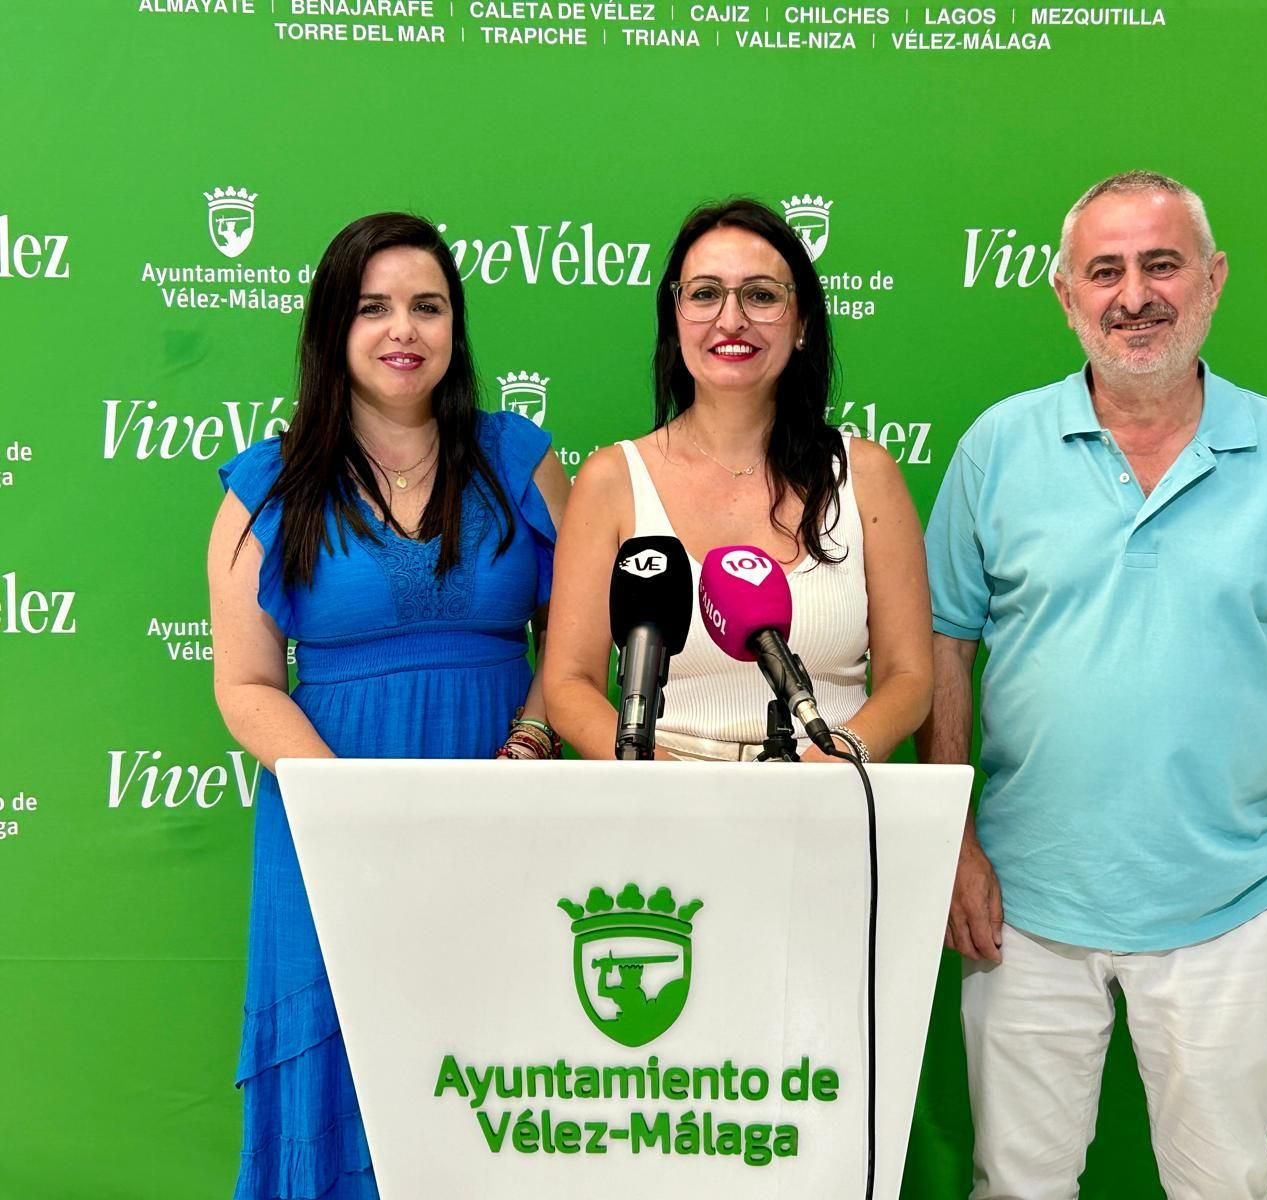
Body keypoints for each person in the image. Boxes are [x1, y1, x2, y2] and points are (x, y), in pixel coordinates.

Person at [918, 171, 1267, 1199]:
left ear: (1213, 280)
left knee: (1222, 1186)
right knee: (1013, 1185)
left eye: (1160, 265)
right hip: (1023, 904)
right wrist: (957, 844)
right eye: (1104, 270)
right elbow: (945, 644)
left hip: (1227, 909)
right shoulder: (996, 448)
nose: (1133, 294)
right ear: (1064, 293)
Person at [207, 212, 569, 1199]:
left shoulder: (520, 457)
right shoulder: (266, 484)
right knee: (345, 1058)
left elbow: (575, 645)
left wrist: (536, 734)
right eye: (372, 308)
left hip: (500, 804)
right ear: (333, 328)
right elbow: (244, 683)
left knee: (491, 1062)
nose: (402, 329)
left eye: (427, 306)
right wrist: (349, 803)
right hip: (328, 822)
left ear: (456, 326)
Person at [542, 198, 930, 763]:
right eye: (704, 294)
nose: (731, 320)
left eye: (761, 295)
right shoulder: (610, 480)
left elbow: (910, 677)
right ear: (675, 322)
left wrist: (829, 763)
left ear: (801, 326)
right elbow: (570, 684)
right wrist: (668, 783)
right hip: (662, 808)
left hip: (830, 799)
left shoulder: (866, 475)